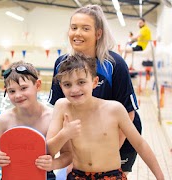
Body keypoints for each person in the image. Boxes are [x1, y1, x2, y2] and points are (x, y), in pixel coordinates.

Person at [47, 4, 143, 175]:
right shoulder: (62, 64)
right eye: (74, 28)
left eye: (85, 28)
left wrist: (108, 155)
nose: (77, 33)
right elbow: (61, 115)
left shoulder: (114, 64)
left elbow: (129, 113)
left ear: (98, 33)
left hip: (121, 136)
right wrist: (68, 156)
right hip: (84, 138)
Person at [46, 53, 164, 179]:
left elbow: (140, 144)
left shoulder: (114, 109)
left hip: (111, 175)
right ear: (61, 86)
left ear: (94, 82)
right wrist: (65, 134)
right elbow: (48, 150)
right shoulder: (62, 107)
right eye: (67, 84)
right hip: (78, 175)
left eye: (81, 82)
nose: (74, 89)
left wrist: (160, 177)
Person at [0, 61, 56, 180]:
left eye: (23, 88)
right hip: (12, 174)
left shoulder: (52, 117)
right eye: (12, 91)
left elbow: (68, 154)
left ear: (38, 85)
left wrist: (54, 164)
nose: (18, 95)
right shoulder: (4, 119)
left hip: (44, 175)